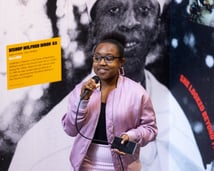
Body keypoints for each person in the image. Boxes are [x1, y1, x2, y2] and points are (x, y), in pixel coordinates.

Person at [9, 0, 208, 171]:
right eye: (114, 10)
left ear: (156, 26)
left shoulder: (177, 116)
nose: (131, 23)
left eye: (144, 10)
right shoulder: (40, 148)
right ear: (93, 27)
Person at [62, 35, 157, 171]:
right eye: (97, 58)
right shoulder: (81, 89)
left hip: (123, 166)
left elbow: (150, 129)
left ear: (121, 62)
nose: (101, 63)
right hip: (85, 165)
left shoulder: (137, 92)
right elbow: (70, 130)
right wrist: (83, 102)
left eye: (109, 58)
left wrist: (131, 136)